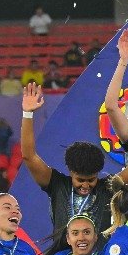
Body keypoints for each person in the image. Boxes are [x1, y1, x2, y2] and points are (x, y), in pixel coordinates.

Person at [20, 83, 115, 234]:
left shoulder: (107, 188)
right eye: (80, 180)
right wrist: (27, 114)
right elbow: (29, 156)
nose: (85, 185)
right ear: (71, 172)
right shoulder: (57, 185)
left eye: (91, 180)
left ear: (97, 174)